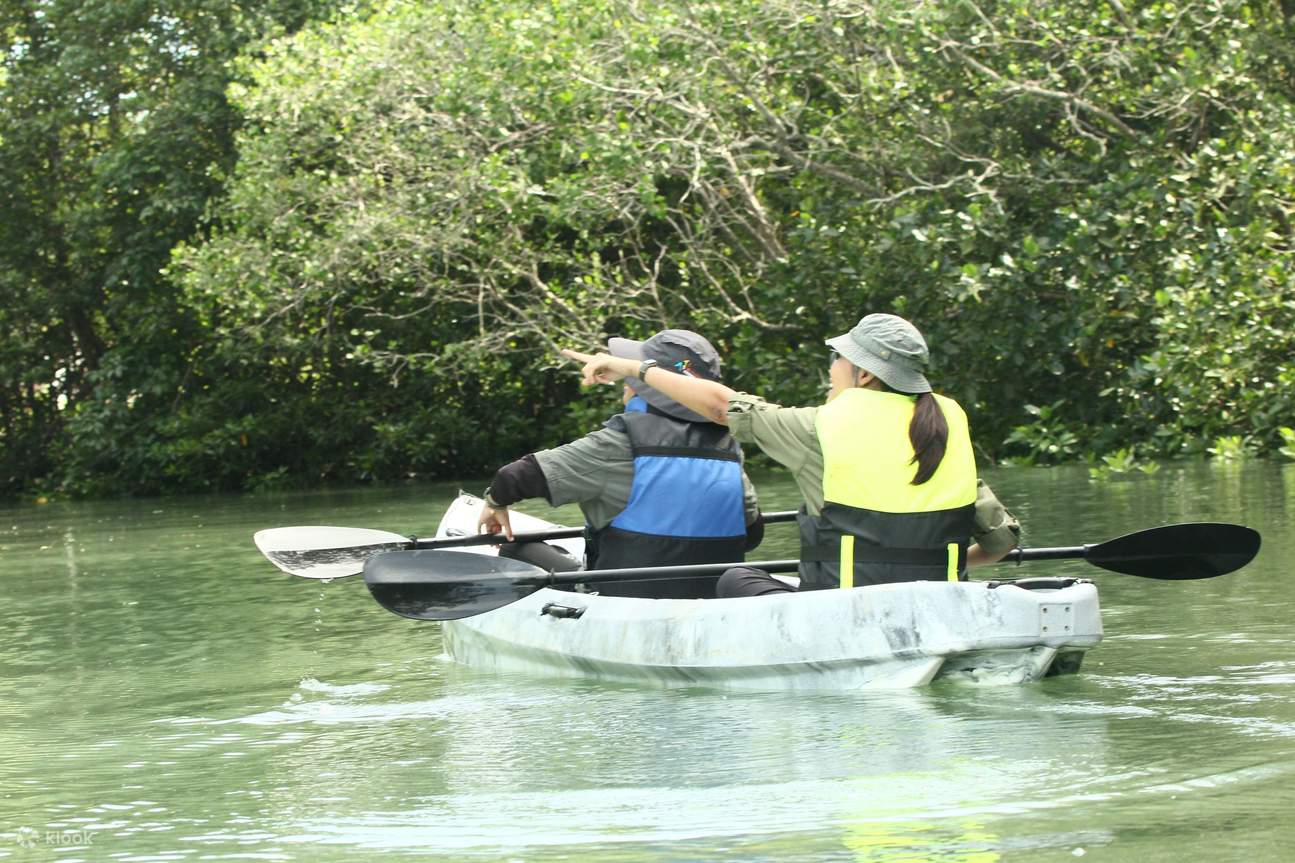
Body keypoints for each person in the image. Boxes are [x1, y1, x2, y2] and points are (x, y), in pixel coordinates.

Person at [562, 313, 1020, 596]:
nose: (832, 368)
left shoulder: (818, 427)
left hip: (842, 609)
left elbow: (722, 406)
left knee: (734, 581)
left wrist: (632, 367)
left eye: (838, 358)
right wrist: (946, 561)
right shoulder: (946, 427)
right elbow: (1002, 543)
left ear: (862, 374)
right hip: (939, 602)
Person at [477, 329, 765, 599]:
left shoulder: (616, 444)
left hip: (623, 598)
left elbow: (517, 476)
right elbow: (751, 535)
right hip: (712, 596)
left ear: (644, 386)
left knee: (517, 547)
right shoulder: (730, 450)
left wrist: (495, 503)